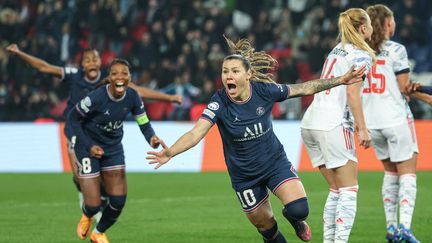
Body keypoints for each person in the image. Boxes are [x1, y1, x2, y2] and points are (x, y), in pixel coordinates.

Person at [146, 36, 367, 243]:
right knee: (268, 230)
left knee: (300, 210)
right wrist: (170, 152)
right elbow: (197, 132)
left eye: (234, 71)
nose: (228, 76)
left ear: (248, 75)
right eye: (225, 72)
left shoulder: (264, 91)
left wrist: (341, 80)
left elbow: (304, 88)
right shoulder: (220, 101)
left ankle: (294, 219)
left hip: (274, 164)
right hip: (244, 176)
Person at [5, 44, 181, 220]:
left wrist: (169, 98)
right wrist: (19, 53)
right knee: (79, 175)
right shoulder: (74, 76)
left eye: (95, 59)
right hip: (76, 131)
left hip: (99, 135)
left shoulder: (111, 78)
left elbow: (137, 91)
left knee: (104, 178)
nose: (91, 63)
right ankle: (84, 192)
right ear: (82, 65)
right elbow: (44, 67)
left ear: (100, 62)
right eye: (87, 60)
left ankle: (96, 203)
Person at [300, 8, 375, 243]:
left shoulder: (337, 49)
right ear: (363, 28)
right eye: (370, 24)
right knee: (349, 190)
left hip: (311, 121)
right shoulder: (362, 54)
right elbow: (353, 93)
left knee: (336, 190)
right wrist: (362, 128)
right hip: (333, 122)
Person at [68, 58, 162, 242]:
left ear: (130, 77)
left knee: (118, 201)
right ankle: (87, 215)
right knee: (94, 205)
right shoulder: (96, 98)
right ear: (109, 77)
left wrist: (152, 138)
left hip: (112, 149)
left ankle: (98, 233)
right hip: (87, 147)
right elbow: (73, 119)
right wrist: (88, 145)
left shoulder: (133, 96)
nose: (120, 77)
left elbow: (143, 122)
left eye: (124, 73)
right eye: (115, 73)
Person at [364, 4, 420, 243]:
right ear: (388, 24)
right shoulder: (396, 49)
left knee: (390, 173)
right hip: (396, 118)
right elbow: (404, 87)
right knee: (407, 174)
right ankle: (405, 228)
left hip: (372, 122)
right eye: (393, 21)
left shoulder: (362, 50)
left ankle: (390, 228)